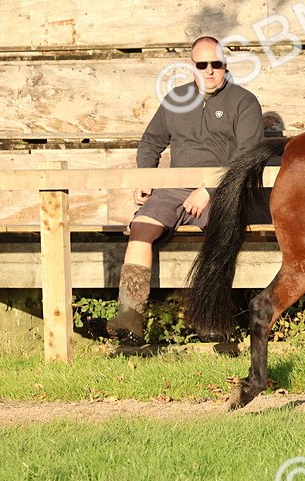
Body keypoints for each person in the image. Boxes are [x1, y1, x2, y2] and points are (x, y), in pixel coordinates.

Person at [107, 36, 264, 341]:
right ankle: (129, 320)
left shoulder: (244, 102)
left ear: (225, 65)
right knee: (141, 227)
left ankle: (213, 322)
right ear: (191, 65)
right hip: (174, 189)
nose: (209, 71)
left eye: (216, 64)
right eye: (202, 64)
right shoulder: (175, 99)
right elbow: (151, 141)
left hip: (223, 191)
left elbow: (247, 155)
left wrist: (209, 189)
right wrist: (146, 177)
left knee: (220, 236)